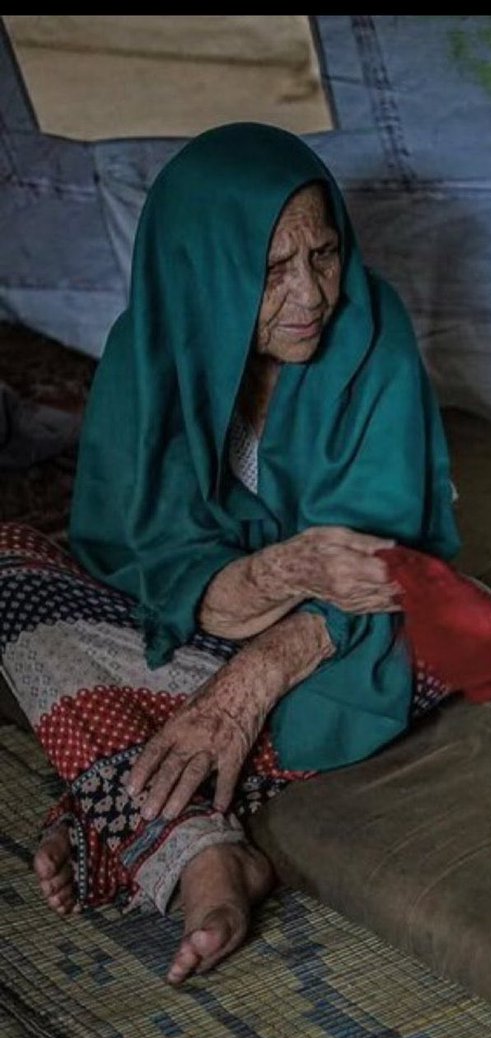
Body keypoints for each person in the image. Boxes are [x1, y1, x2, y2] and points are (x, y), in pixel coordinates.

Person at [0, 122, 464, 986]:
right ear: (201, 273)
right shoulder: (148, 357)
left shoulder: (372, 329)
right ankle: (185, 825)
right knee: (9, 572)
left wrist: (241, 689)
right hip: (216, 618)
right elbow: (137, 562)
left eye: (323, 255)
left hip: (356, 636)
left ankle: (143, 827)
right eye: (272, 270)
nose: (312, 294)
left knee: (444, 630)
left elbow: (377, 566)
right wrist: (274, 575)